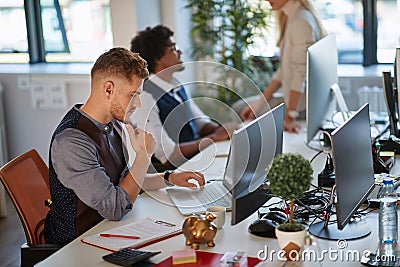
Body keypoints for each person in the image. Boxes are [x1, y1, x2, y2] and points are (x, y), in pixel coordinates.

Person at [44, 48, 205, 245]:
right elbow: (116, 207)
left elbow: (126, 183)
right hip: (77, 244)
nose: (137, 104)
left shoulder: (113, 123)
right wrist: (144, 156)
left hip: (106, 232)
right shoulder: (72, 142)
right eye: (133, 95)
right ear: (108, 90)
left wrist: (169, 178)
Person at [130, 25, 237, 172]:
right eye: (173, 48)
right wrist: (214, 138)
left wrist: (224, 130)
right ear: (158, 58)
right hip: (172, 174)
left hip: (193, 161)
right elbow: (168, 156)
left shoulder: (176, 85)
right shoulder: (145, 97)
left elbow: (198, 121)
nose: (179, 52)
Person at [240, 0, 327, 133]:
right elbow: (282, 72)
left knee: (237, 108)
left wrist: (291, 116)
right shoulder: (293, 17)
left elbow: (300, 73)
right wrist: (257, 106)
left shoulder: (300, 21)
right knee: (242, 107)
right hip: (296, 102)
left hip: (301, 107)